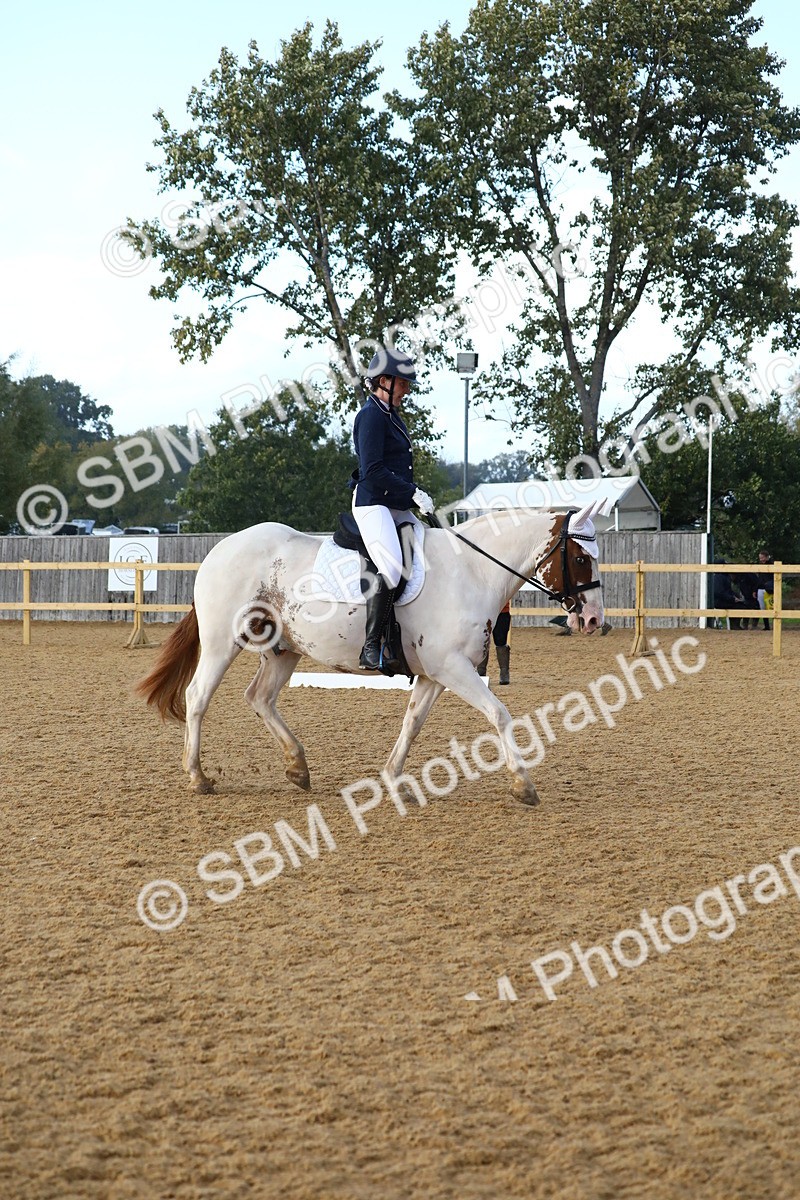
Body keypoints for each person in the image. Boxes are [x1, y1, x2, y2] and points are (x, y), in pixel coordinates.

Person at [350, 347, 434, 670]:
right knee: (394, 565)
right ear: (384, 381)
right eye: (403, 383)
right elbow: (372, 470)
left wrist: (414, 498)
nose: (407, 389)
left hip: (395, 503)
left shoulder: (391, 415)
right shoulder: (370, 415)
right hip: (373, 503)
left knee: (429, 550)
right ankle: (371, 646)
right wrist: (412, 492)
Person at [477, 602, 512, 684]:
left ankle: (504, 671)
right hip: (483, 611)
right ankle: (481, 670)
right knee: (482, 641)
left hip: (501, 610)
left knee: (501, 641)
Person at [755, 549, 775, 631]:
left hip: (770, 589)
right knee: (762, 607)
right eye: (760, 558)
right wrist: (755, 589)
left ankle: (775, 624)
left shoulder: (772, 564)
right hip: (761, 588)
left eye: (762, 558)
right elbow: (759, 579)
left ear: (766, 557)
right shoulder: (760, 566)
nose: (761, 559)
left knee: (772, 607)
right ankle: (766, 625)